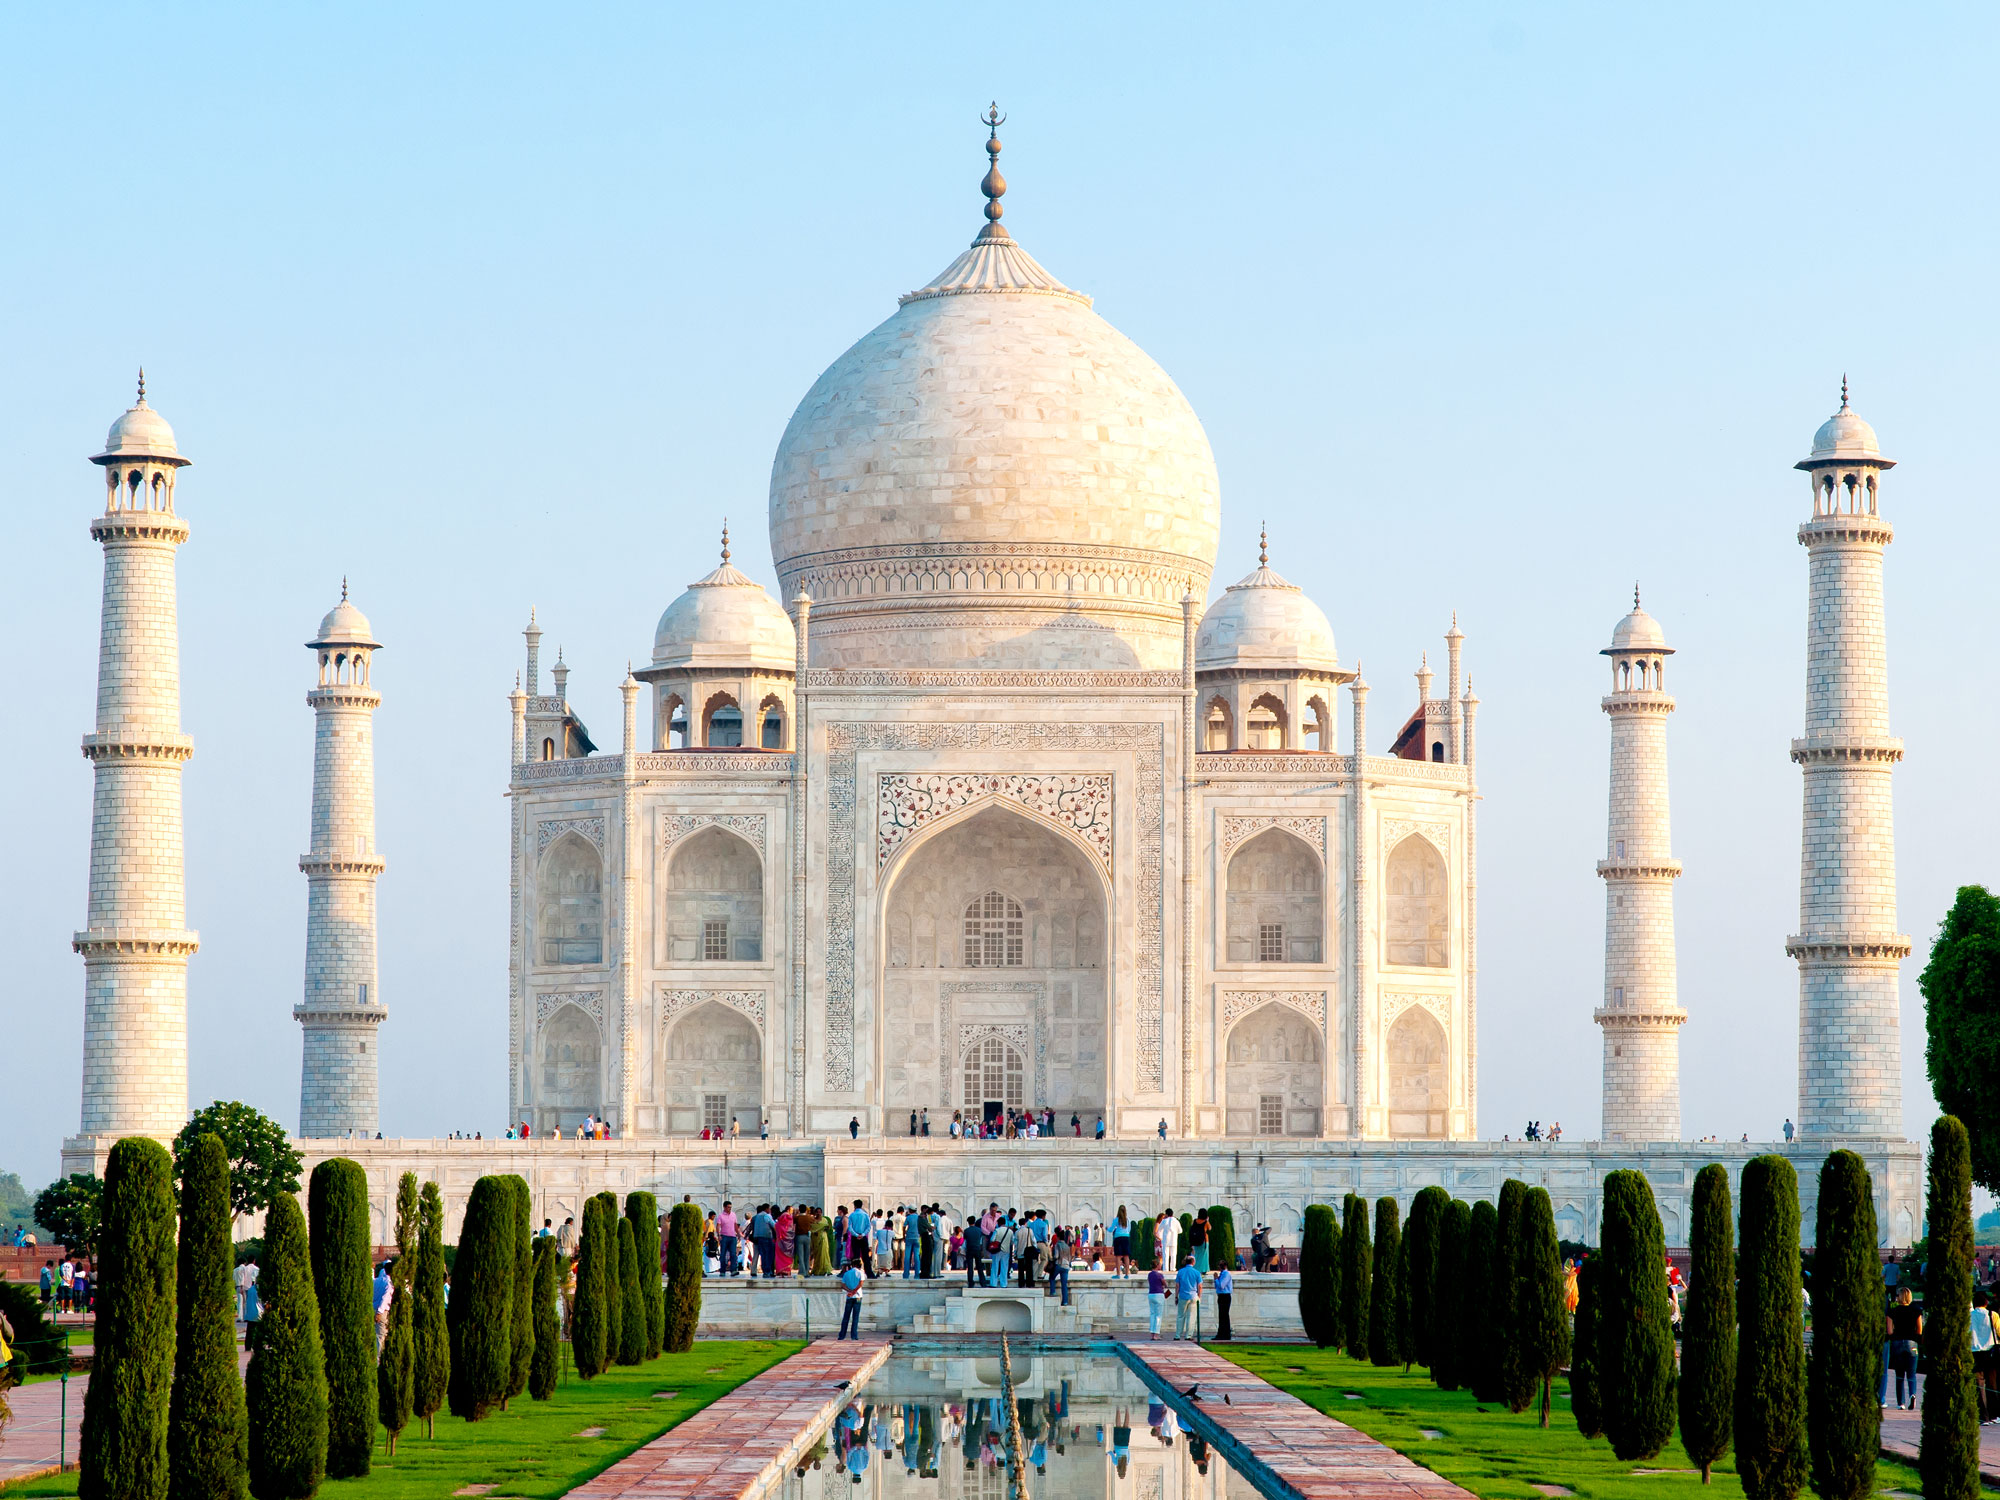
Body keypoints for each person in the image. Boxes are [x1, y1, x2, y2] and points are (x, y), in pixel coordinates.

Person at [1888, 1286, 1923, 1409]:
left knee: (1899, 1375)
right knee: (1911, 1373)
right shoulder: (1916, 1311)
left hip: (1897, 1342)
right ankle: (1912, 1394)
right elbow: (1919, 1330)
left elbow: (1889, 1331)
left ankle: (1901, 1403)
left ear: (1899, 1297)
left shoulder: (1893, 1311)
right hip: (1911, 1343)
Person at [837, 1257, 866, 1340]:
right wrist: (854, 1291)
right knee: (855, 1317)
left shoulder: (846, 1273)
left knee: (846, 1316)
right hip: (858, 1296)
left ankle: (842, 1335)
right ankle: (854, 1335)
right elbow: (861, 1283)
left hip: (849, 1296)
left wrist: (849, 1291)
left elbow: (843, 1285)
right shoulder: (860, 1273)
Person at [1175, 1256, 1202, 1340]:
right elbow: (1200, 1286)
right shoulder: (1196, 1272)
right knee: (1191, 1317)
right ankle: (1188, 1335)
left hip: (1183, 1296)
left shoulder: (1180, 1272)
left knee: (1180, 1316)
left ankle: (1178, 1335)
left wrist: (1176, 1296)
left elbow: (1177, 1285)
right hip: (1193, 1296)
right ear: (1193, 1262)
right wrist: (1199, 1296)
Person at [1047, 1228, 1071, 1307]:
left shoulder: (1058, 1245)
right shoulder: (1067, 1246)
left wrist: (1052, 1259)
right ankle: (1065, 1301)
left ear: (1058, 1237)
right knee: (1064, 1284)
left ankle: (1053, 1292)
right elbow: (1069, 1257)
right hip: (1066, 1266)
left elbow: (1056, 1256)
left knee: (1052, 1277)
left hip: (1059, 1264)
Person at [750, 1204, 776, 1278]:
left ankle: (765, 1272)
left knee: (763, 1255)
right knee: (768, 1255)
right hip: (766, 1237)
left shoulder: (756, 1217)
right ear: (766, 1209)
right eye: (769, 1209)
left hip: (757, 1238)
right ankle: (768, 1271)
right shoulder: (767, 1216)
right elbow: (774, 1225)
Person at [718, 1201, 740, 1277]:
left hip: (732, 1237)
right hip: (724, 1237)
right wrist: (719, 1235)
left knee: (733, 1254)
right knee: (723, 1254)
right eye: (728, 1207)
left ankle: (733, 1270)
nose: (729, 1209)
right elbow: (718, 1226)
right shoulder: (721, 1216)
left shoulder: (733, 1215)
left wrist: (738, 1233)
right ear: (724, 1207)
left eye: (730, 1207)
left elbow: (735, 1225)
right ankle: (722, 1271)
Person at [1146, 1264, 1168, 1340]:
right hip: (1159, 1294)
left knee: (1152, 1314)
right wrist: (1164, 1286)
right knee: (1158, 1315)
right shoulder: (1159, 1275)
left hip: (1151, 1294)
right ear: (1157, 1266)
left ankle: (1152, 1333)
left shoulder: (1150, 1274)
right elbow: (1164, 1283)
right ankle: (1156, 1334)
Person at [1213, 1262, 1234, 1339]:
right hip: (1221, 1296)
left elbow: (1222, 1285)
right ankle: (1222, 1333)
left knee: (1224, 1315)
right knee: (1222, 1316)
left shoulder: (1226, 1274)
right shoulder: (1222, 1274)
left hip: (1225, 1296)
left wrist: (1216, 1279)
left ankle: (1225, 1334)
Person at [1190, 1210, 1210, 1275]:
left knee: (1196, 1255)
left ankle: (1196, 1268)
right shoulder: (1205, 1222)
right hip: (1204, 1241)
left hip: (1195, 1241)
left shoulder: (1194, 1221)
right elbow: (1210, 1228)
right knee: (1204, 1256)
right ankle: (1203, 1269)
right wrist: (1207, 1220)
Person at [1113, 1209, 1132, 1277]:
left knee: (1118, 1256)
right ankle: (1127, 1274)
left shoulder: (1116, 1220)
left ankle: (1118, 1274)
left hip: (1118, 1237)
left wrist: (1107, 1229)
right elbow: (1129, 1229)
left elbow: (1112, 1229)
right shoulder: (1127, 1220)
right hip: (1126, 1237)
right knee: (1126, 1256)